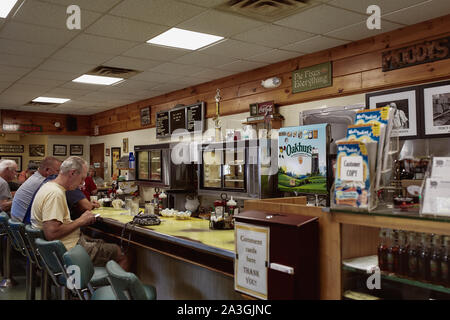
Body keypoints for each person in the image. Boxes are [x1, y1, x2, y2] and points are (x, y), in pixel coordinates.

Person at [31, 156, 130, 270]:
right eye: (82, 178)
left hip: (62, 246)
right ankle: (109, 287)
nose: (82, 184)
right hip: (68, 250)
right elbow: (52, 233)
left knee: (103, 242)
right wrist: (81, 221)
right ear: (72, 173)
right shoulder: (55, 194)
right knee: (124, 253)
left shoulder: (48, 186)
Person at [11, 157, 61, 223]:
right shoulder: (42, 182)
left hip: (16, 220)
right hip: (23, 224)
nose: (60, 174)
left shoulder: (35, 177)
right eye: (58, 171)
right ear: (47, 170)